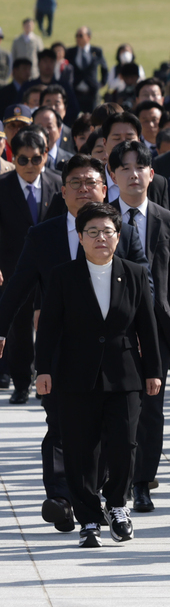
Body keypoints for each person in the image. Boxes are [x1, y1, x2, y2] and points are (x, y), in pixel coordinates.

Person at [0, 155, 128, 534]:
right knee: (59, 424)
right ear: (63, 190)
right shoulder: (43, 236)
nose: (83, 189)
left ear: (104, 189)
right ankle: (59, 498)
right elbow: (18, 286)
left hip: (109, 354)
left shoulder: (118, 232)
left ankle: (92, 493)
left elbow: (142, 284)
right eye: (75, 183)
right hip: (59, 352)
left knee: (102, 430)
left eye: (91, 182)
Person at [36, 202, 163, 548]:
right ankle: (89, 518)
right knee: (81, 449)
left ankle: (117, 505)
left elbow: (147, 327)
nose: (100, 238)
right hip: (75, 376)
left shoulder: (134, 273)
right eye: (92, 232)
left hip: (125, 374)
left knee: (124, 443)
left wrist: (154, 370)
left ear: (118, 236)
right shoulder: (64, 276)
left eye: (107, 231)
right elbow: (48, 328)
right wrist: (43, 369)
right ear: (80, 237)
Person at [108, 140, 170, 513]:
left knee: (152, 409)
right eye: (124, 168)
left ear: (151, 174)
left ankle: (143, 482)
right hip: (114, 329)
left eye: (140, 167)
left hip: (157, 329)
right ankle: (117, 479)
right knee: (117, 408)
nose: (133, 174)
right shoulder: (101, 219)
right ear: (113, 176)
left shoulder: (168, 220)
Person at [0, 129, 62, 404]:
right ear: (13, 158)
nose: (29, 165)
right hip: (14, 268)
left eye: (35, 159)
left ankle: (48, 378)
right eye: (22, 160)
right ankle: (22, 383)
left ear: (45, 156)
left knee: (52, 324)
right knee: (20, 329)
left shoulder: (58, 183)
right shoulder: (2, 186)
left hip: (53, 270)